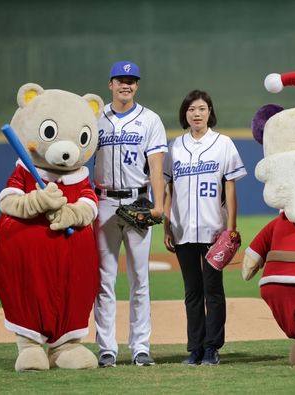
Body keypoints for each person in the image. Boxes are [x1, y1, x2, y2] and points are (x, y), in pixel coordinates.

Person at [164, 90, 247, 365]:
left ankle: (212, 347)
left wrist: (231, 230)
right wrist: (166, 226)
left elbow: (231, 188)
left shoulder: (223, 144)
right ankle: (195, 348)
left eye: (201, 108)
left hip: (214, 230)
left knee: (213, 289)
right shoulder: (174, 147)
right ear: (184, 114)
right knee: (192, 291)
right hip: (183, 229)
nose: (196, 114)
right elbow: (168, 190)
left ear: (210, 111)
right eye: (191, 109)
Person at [93, 60, 167, 367]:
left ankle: (140, 347)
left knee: (140, 280)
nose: (127, 84)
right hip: (103, 202)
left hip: (138, 202)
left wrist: (159, 204)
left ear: (137, 85)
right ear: (110, 84)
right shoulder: (95, 118)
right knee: (104, 279)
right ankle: (107, 348)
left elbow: (157, 167)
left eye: (132, 80)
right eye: (121, 79)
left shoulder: (150, 119)